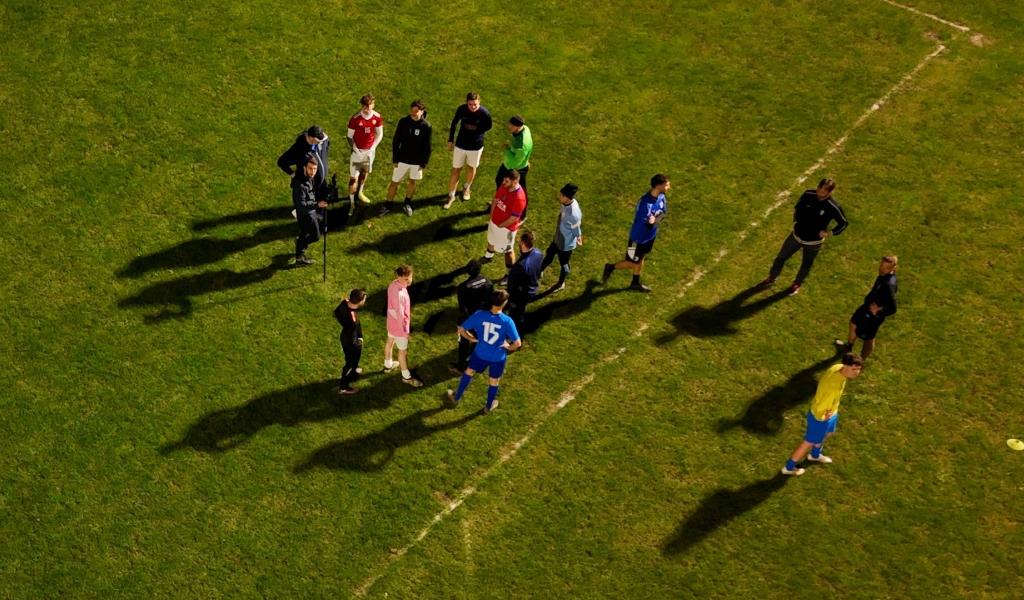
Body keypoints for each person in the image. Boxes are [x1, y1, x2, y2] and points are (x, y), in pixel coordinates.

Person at [760, 178, 849, 296]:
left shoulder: (833, 206)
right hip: (796, 236)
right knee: (781, 257)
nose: (820, 192)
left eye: (824, 190)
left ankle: (797, 284)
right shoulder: (808, 194)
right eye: (820, 188)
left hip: (813, 243)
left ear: (830, 192)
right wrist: (796, 220)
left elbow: (843, 223)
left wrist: (829, 233)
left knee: (806, 264)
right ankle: (772, 277)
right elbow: (797, 207)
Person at [781, 352, 864, 476]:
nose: (857, 372)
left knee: (829, 432)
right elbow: (822, 407)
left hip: (831, 412)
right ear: (845, 366)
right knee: (808, 442)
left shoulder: (837, 367)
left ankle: (814, 455)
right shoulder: (833, 387)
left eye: (858, 369)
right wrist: (824, 419)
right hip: (821, 417)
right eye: (854, 369)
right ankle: (788, 467)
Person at [445, 290, 522, 414]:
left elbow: (461, 329)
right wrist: (508, 347)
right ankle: (488, 406)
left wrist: (471, 339)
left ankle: (456, 397)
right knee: (494, 381)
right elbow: (518, 343)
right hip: (497, 357)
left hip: (480, 352)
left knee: (469, 372)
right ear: (504, 303)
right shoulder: (507, 321)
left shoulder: (479, 315)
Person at [601, 174, 670, 292]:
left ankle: (635, 283)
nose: (669, 186)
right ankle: (610, 267)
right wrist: (653, 220)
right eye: (666, 185)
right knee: (631, 262)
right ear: (658, 186)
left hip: (650, 236)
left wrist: (656, 219)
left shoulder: (661, 196)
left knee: (640, 258)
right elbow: (649, 222)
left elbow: (663, 212)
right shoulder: (645, 205)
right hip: (637, 239)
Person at [836, 255, 898, 360]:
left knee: (868, 339)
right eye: (881, 266)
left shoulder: (889, 284)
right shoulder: (884, 275)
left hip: (873, 316)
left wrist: (879, 310)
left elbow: (893, 308)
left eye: (886, 267)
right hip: (866, 307)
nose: (882, 269)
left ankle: (860, 361)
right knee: (853, 323)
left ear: (893, 268)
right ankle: (849, 346)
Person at [382, 99, 432, 217]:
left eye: (416, 111)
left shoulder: (426, 126)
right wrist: (395, 158)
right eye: (412, 110)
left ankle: (407, 202)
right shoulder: (403, 122)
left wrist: (423, 162)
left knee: (412, 182)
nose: (413, 113)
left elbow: (427, 146)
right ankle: (388, 204)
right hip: (402, 159)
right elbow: (396, 140)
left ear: (422, 111)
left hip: (417, 161)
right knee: (394, 182)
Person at [444, 92, 493, 209]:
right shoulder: (461, 109)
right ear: (467, 103)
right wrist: (451, 139)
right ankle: (451, 195)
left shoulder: (484, 113)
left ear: (479, 102)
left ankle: (467, 187)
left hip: (476, 146)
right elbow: (454, 123)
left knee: (471, 167)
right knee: (456, 169)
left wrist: (477, 131)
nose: (473, 107)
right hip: (461, 144)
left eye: (475, 104)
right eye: (470, 104)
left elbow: (489, 126)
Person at [384, 265, 424, 387]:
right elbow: (400, 314)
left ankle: (388, 364)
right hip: (399, 328)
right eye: (406, 279)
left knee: (390, 342)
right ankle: (406, 377)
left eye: (410, 278)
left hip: (391, 323)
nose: (409, 280)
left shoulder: (393, 284)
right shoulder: (399, 293)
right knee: (402, 352)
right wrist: (405, 332)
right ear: (398, 277)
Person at [451, 260, 494, 374]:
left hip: (470, 319)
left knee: (463, 341)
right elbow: (491, 301)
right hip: (484, 317)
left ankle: (461, 366)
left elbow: (463, 309)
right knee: (479, 338)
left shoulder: (463, 288)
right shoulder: (488, 282)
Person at [539, 183, 583, 293]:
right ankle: (540, 271)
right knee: (550, 252)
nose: (559, 197)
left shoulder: (573, 214)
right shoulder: (566, 203)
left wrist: (578, 237)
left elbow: (576, 227)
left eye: (561, 195)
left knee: (564, 264)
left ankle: (561, 283)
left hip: (565, 243)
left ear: (567, 198)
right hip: (559, 235)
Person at [481, 170, 527, 272]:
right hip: (495, 222)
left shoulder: (519, 198)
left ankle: (509, 273)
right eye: (503, 180)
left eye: (506, 181)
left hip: (506, 229)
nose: (503, 183)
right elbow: (495, 200)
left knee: (508, 251)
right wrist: (492, 217)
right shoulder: (505, 186)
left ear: (514, 182)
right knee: (491, 240)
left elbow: (513, 218)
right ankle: (488, 257)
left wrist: (501, 225)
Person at [347, 94, 384, 211]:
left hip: (369, 153)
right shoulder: (355, 119)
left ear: (373, 105)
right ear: (361, 106)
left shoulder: (377, 117)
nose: (367, 109)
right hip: (357, 153)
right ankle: (352, 203)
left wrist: (373, 147)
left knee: (365, 172)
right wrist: (356, 150)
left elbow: (380, 134)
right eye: (364, 106)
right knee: (353, 178)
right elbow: (349, 136)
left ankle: (360, 192)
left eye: (369, 106)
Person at [291, 153, 328, 265]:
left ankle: (299, 251)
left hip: (310, 212)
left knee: (306, 231)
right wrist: (317, 205)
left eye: (315, 169)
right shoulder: (299, 185)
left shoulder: (308, 177)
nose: (313, 172)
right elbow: (301, 205)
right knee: (315, 236)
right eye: (310, 169)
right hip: (305, 214)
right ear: (304, 167)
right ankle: (300, 250)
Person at [277, 125, 330, 200]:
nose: (321, 143)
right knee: (307, 205)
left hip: (320, 182)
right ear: (311, 138)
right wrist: (293, 174)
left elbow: (326, 143)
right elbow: (281, 162)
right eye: (318, 141)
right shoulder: (299, 149)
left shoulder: (319, 142)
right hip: (308, 185)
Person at [506, 230, 543, 328]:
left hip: (522, 294)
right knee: (521, 308)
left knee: (515, 312)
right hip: (533, 288)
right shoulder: (538, 253)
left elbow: (512, 285)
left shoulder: (520, 266)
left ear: (522, 243)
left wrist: (511, 299)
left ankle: (515, 327)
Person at [334, 288, 367, 395]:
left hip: (345, 337)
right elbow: (354, 336)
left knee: (350, 361)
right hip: (351, 343)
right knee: (350, 363)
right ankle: (344, 387)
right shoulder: (353, 320)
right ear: (360, 302)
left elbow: (336, 311)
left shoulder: (344, 305)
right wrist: (358, 343)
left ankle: (353, 371)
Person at [494, 115, 533, 193]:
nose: (509, 127)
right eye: (509, 124)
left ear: (518, 127)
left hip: (515, 168)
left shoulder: (521, 144)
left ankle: (503, 202)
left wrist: (507, 150)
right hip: (516, 164)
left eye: (512, 126)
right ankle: (501, 200)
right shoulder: (525, 128)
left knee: (513, 188)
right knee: (501, 181)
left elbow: (516, 162)